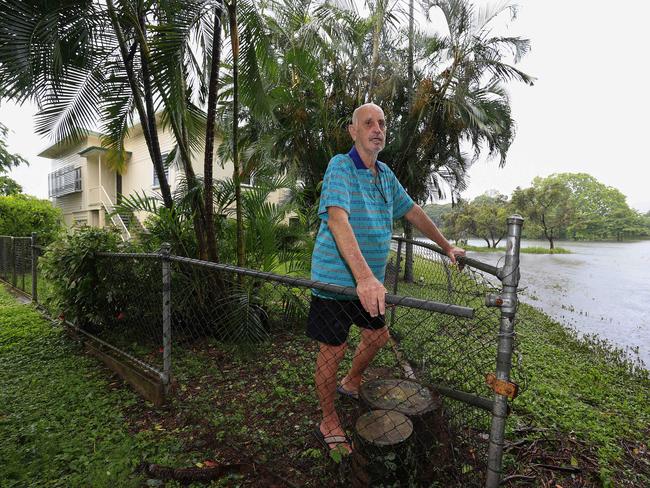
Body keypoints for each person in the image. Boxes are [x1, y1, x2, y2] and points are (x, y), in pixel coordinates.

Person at [308, 102, 466, 454]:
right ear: (354, 131)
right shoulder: (341, 167)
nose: (377, 128)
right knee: (332, 350)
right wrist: (363, 278)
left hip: (369, 286)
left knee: (377, 338)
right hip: (336, 283)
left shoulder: (385, 175)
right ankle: (328, 418)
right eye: (368, 123)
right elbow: (337, 220)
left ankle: (351, 382)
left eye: (381, 123)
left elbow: (412, 210)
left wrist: (446, 247)